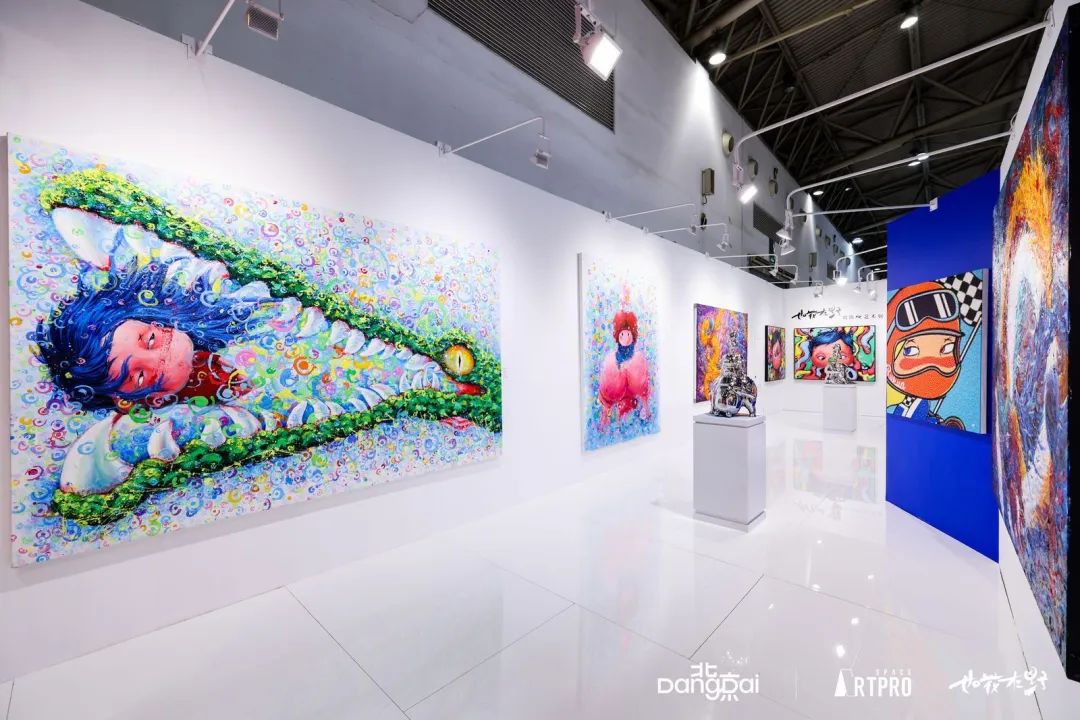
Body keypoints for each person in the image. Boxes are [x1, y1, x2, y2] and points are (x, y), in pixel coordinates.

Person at [885, 281, 965, 429]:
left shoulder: (918, 403)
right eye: (910, 350)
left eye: (947, 348)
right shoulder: (912, 404)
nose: (930, 362)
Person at [597, 310, 650, 429]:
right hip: (617, 405)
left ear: (632, 335)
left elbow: (644, 389)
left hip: (633, 406)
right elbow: (606, 393)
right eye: (622, 334)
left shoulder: (639, 360)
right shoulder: (610, 361)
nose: (625, 337)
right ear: (618, 335)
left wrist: (646, 408)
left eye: (628, 333)